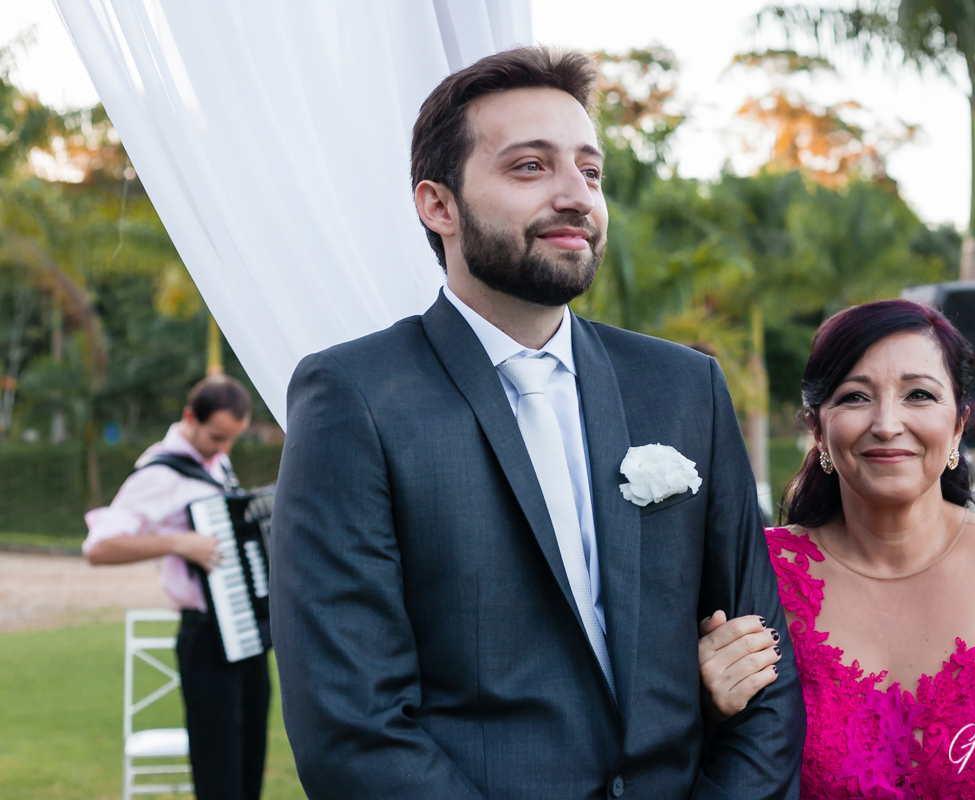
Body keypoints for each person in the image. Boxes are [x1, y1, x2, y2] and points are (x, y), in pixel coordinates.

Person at [270, 46, 803, 799]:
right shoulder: (354, 397)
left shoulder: (684, 386)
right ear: (438, 205)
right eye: (530, 167)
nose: (575, 195)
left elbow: (764, 671)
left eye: (590, 171)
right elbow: (352, 726)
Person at [697, 299, 975, 799]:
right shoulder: (758, 571)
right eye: (854, 397)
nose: (887, 423)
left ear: (958, 423)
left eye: (918, 394)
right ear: (817, 429)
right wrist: (705, 713)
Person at [84, 375, 270, 800]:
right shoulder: (159, 474)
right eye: (217, 437)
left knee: (249, 771)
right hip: (205, 638)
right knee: (219, 779)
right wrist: (176, 543)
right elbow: (98, 548)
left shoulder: (215, 462)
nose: (225, 449)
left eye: (233, 440)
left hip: (245, 636)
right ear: (190, 417)